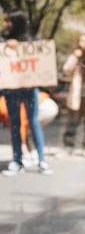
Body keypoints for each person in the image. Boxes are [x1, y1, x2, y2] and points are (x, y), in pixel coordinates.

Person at [1, 11, 53, 176]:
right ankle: (17, 161)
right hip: (10, 89)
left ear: (16, 23)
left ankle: (41, 159)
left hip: (29, 89)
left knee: (34, 122)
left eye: (8, 22)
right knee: (15, 125)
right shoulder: (3, 40)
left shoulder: (33, 42)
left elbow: (40, 54)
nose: (5, 25)